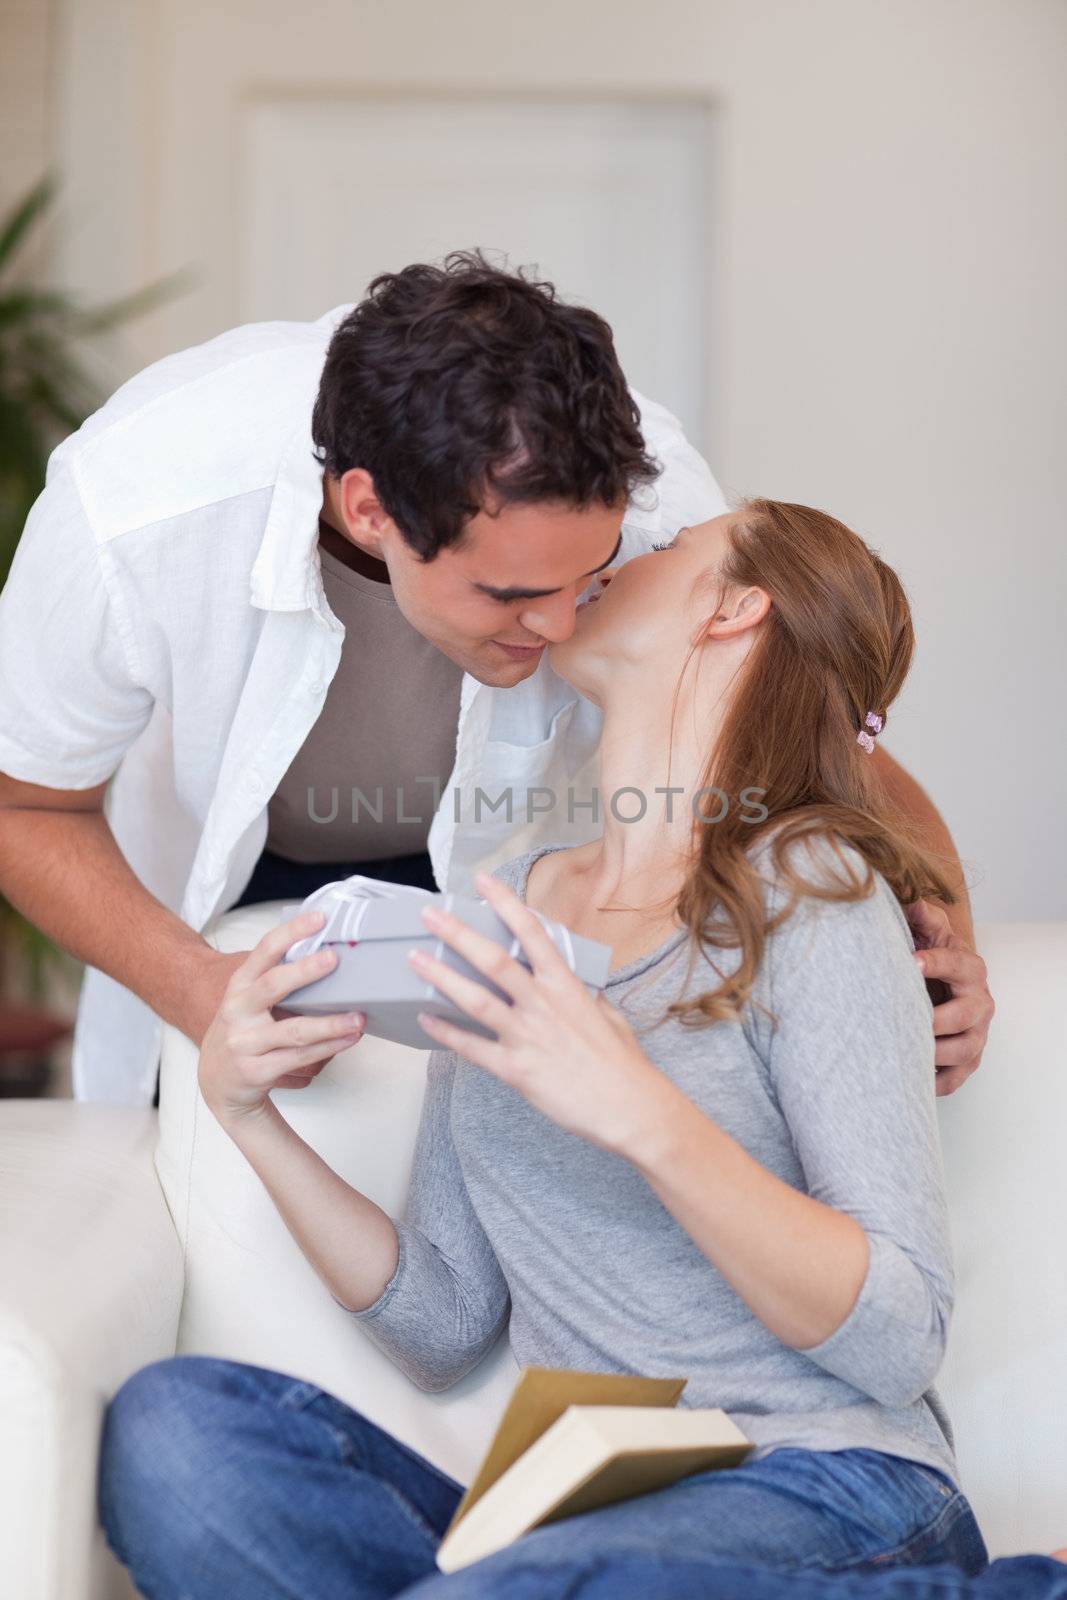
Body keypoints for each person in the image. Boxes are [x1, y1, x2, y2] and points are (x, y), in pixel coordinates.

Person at [98, 501, 1065, 1598]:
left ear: (735, 606)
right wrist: (244, 1114)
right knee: (176, 1435)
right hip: (573, 1520)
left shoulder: (811, 887)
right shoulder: (510, 906)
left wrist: (632, 1107)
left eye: (666, 549)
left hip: (821, 1482)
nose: (608, 566)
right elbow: (446, 1321)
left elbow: (898, 1337)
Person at [0, 256, 992, 1105]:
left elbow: (825, 740)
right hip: (217, 873)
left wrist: (948, 953)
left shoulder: (660, 506)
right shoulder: (134, 508)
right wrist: (191, 984)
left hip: (503, 878)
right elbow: (24, 805)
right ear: (367, 509)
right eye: (512, 590)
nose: (562, 623)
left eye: (590, 575)